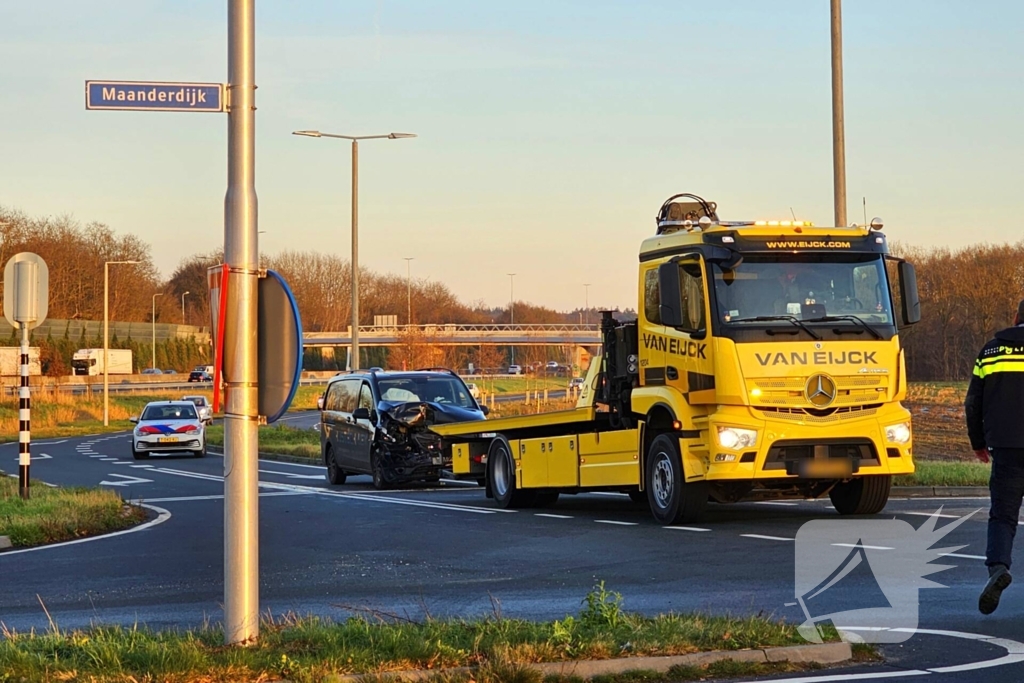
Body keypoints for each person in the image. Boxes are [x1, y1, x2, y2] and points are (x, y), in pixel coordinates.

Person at [964, 299, 1024, 615]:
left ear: (1015, 318)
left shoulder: (992, 351)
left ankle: (998, 568)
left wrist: (978, 442)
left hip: (1006, 446)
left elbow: (973, 401)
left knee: (1003, 516)